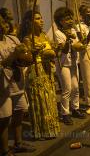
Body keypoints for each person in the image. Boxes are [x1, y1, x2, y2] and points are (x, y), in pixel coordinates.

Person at [19, 10, 60, 139]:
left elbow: (52, 53)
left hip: (47, 71)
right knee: (39, 101)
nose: (41, 21)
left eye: (41, 18)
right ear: (30, 22)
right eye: (37, 19)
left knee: (49, 100)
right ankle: (40, 131)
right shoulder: (27, 39)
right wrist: (33, 52)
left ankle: (50, 129)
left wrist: (56, 49)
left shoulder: (44, 36)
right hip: (36, 71)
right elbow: (26, 58)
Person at [0, 15, 35, 156]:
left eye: (3, 22)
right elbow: (3, 64)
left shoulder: (12, 39)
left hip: (18, 83)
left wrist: (30, 55)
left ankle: (18, 143)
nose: (3, 25)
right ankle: (4, 150)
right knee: (4, 119)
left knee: (20, 113)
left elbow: (24, 58)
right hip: (3, 86)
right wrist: (15, 54)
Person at [53, 7, 86, 125]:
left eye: (71, 18)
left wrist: (79, 37)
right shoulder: (57, 34)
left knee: (76, 88)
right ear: (60, 21)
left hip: (73, 63)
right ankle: (65, 113)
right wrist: (68, 39)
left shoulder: (73, 31)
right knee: (67, 89)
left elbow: (79, 45)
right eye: (67, 19)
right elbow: (65, 51)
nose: (70, 21)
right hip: (63, 65)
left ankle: (75, 108)